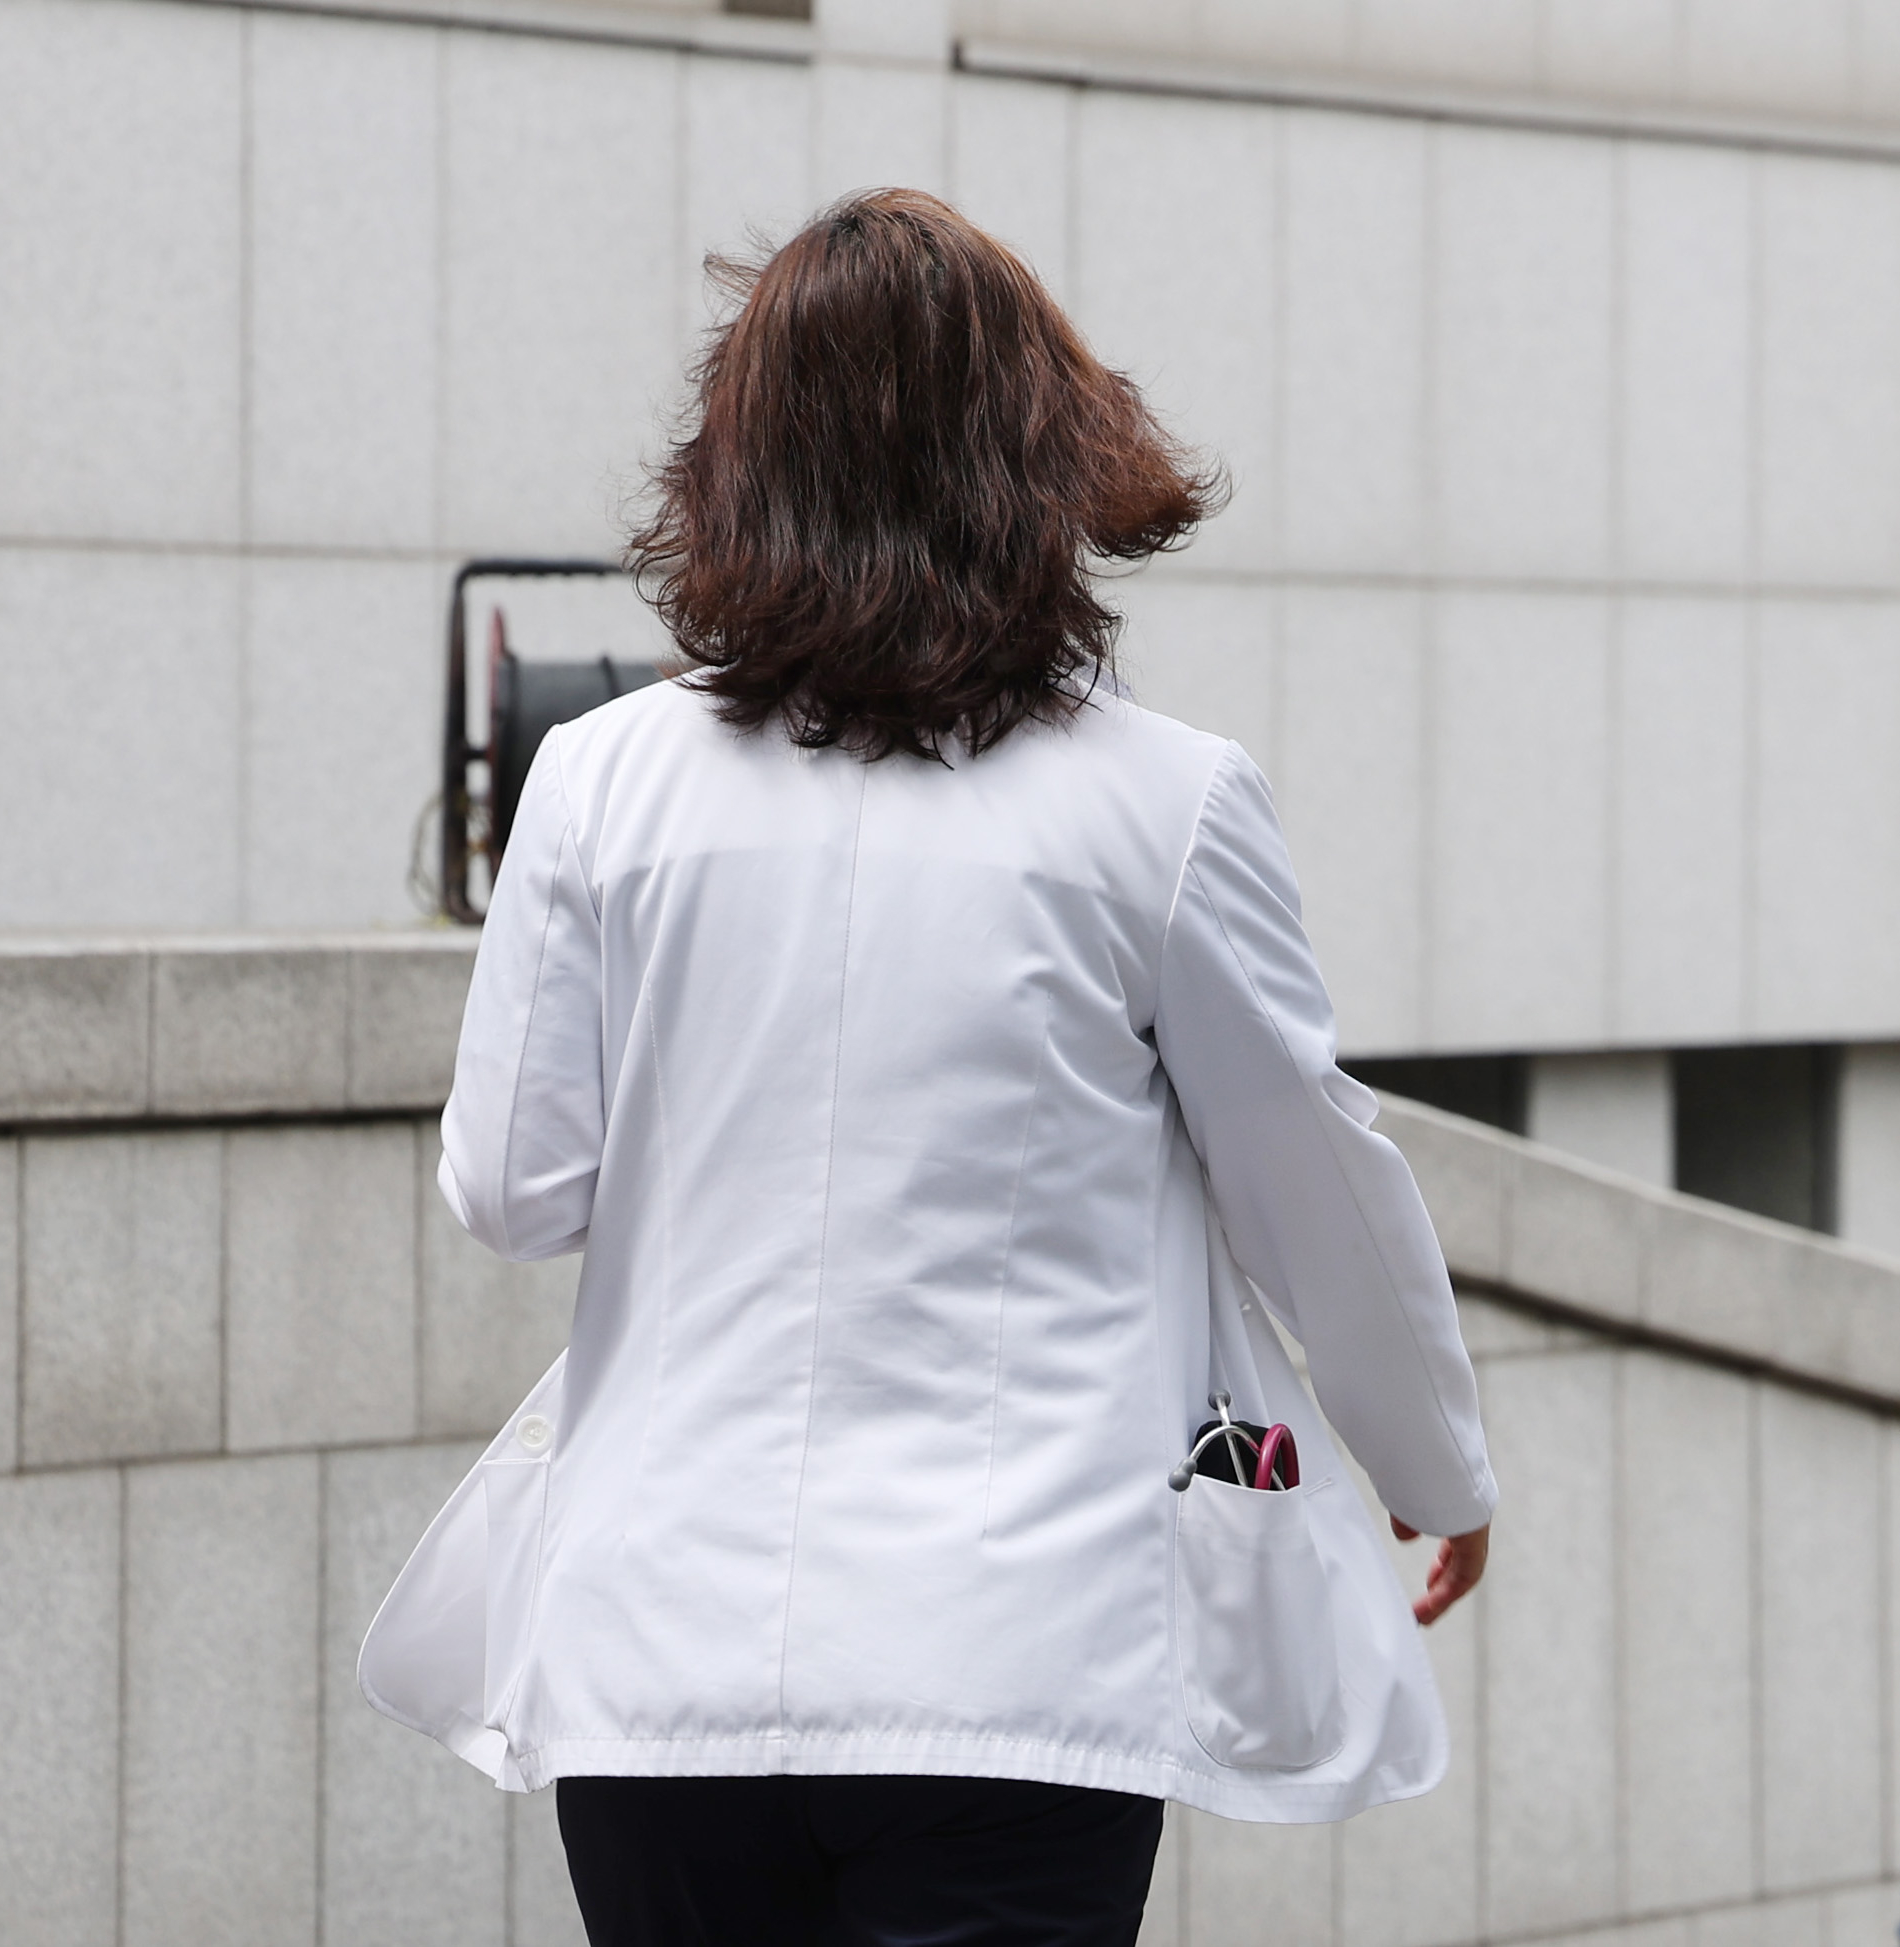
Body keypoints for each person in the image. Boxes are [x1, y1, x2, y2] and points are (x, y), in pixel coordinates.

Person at [359, 190, 1497, 1947]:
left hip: (658, 1665)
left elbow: (515, 1197)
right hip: (1018, 1668)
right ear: (1039, 462)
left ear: (736, 467)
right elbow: (1310, 1186)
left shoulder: (592, 783)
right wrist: (1430, 1460)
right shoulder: (1161, 804)